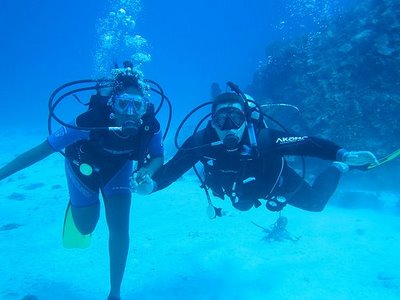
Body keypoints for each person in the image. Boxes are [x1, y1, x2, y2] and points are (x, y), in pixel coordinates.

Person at [0, 63, 164, 300]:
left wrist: (147, 170)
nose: (129, 111)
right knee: (86, 226)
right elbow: (39, 151)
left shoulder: (150, 127)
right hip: (82, 169)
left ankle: (115, 293)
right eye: (122, 103)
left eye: (136, 105)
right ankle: (79, 205)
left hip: (118, 171)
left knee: (119, 228)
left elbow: (158, 155)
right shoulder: (87, 122)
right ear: (111, 104)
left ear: (144, 107)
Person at [133, 90, 378, 216]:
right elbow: (171, 171)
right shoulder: (201, 142)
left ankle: (339, 170)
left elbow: (308, 143)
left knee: (315, 204)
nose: (229, 126)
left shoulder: (265, 138)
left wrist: (342, 155)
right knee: (242, 205)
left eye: (235, 118)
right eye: (221, 119)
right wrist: (151, 186)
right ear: (212, 122)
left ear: (245, 120)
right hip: (240, 189)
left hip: (275, 183)